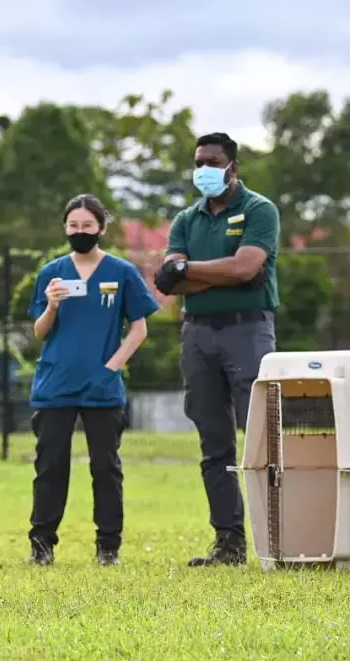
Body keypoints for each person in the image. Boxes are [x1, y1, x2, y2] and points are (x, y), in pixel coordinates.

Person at [153, 132, 280, 567]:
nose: (203, 169)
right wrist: (226, 273)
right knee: (214, 441)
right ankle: (229, 542)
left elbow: (248, 266)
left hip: (248, 333)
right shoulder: (186, 219)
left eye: (211, 161)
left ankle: (278, 537)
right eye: (198, 162)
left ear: (233, 167)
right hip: (198, 333)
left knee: (262, 437)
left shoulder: (259, 210)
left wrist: (193, 271)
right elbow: (170, 281)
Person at [26, 194, 160, 567]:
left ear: (101, 227)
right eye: (73, 226)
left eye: (87, 226)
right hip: (55, 386)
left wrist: (113, 366)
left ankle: (108, 546)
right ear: (65, 229)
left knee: (106, 466)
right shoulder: (50, 274)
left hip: (102, 388)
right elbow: (39, 332)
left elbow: (140, 327)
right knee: (51, 465)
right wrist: (51, 305)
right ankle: (42, 543)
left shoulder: (121, 272)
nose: (80, 232)